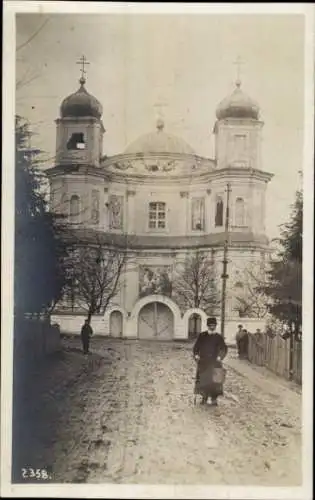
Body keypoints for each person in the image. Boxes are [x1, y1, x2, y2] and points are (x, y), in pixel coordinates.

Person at [193, 317, 228, 406]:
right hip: (204, 362)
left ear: (216, 326)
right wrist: (196, 355)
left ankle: (214, 399)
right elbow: (196, 347)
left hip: (215, 363)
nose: (212, 327)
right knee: (204, 380)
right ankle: (204, 398)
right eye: (210, 325)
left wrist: (220, 356)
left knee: (215, 382)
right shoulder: (202, 336)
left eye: (214, 325)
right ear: (207, 326)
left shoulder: (219, 337)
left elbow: (224, 348)